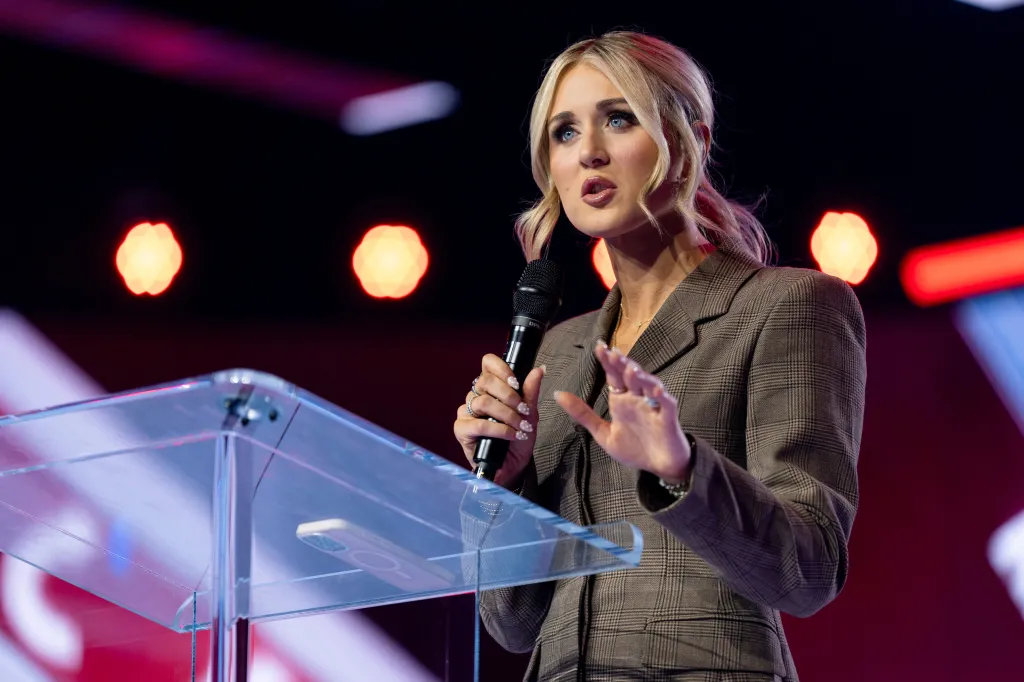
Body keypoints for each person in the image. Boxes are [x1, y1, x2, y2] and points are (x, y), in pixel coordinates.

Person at [453, 31, 866, 682]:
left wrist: (680, 466)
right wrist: (507, 484)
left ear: (691, 143)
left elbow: (809, 568)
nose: (588, 152)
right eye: (564, 132)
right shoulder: (559, 351)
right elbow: (514, 623)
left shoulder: (790, 306)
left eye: (618, 119)